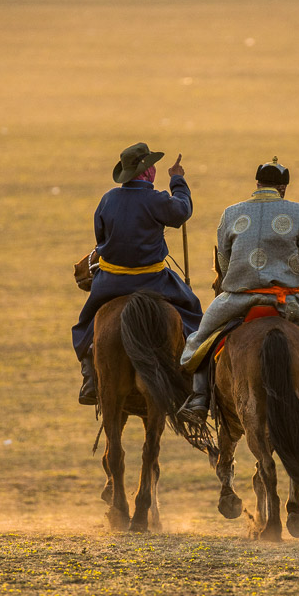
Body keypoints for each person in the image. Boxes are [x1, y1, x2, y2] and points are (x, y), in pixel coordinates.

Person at [179, 157, 299, 422]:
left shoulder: (231, 213)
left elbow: (224, 262)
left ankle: (198, 400)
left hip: (237, 300)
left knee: (202, 338)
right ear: (283, 188)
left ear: (257, 184)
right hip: (286, 302)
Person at [72, 143, 203, 405]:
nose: (153, 170)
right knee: (192, 312)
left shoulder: (108, 199)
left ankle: (89, 377)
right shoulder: (156, 199)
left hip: (111, 282)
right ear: (145, 172)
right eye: (150, 166)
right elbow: (181, 212)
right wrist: (177, 180)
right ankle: (192, 378)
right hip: (153, 280)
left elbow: (101, 238)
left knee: (86, 324)